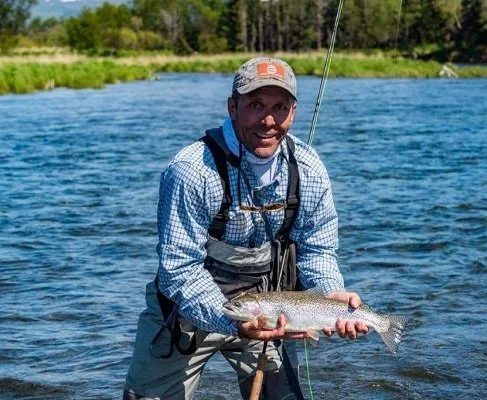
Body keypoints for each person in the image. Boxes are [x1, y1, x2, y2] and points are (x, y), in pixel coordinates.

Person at [123, 57, 368, 400]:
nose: (268, 120)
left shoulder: (309, 169)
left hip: (269, 310)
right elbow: (179, 271)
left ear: (293, 112)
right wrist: (234, 323)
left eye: (279, 107)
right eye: (255, 105)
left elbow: (316, 249)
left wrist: (329, 293)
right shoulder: (192, 171)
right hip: (184, 311)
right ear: (232, 107)